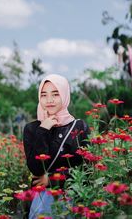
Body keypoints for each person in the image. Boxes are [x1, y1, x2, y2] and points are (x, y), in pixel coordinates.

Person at [23, 74, 89, 218]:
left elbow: (87, 170)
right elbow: (36, 168)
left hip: (72, 199)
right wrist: (43, 129)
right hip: (41, 203)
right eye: (44, 94)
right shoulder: (32, 129)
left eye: (55, 94)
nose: (49, 100)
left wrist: (52, 179)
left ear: (64, 95)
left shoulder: (79, 127)